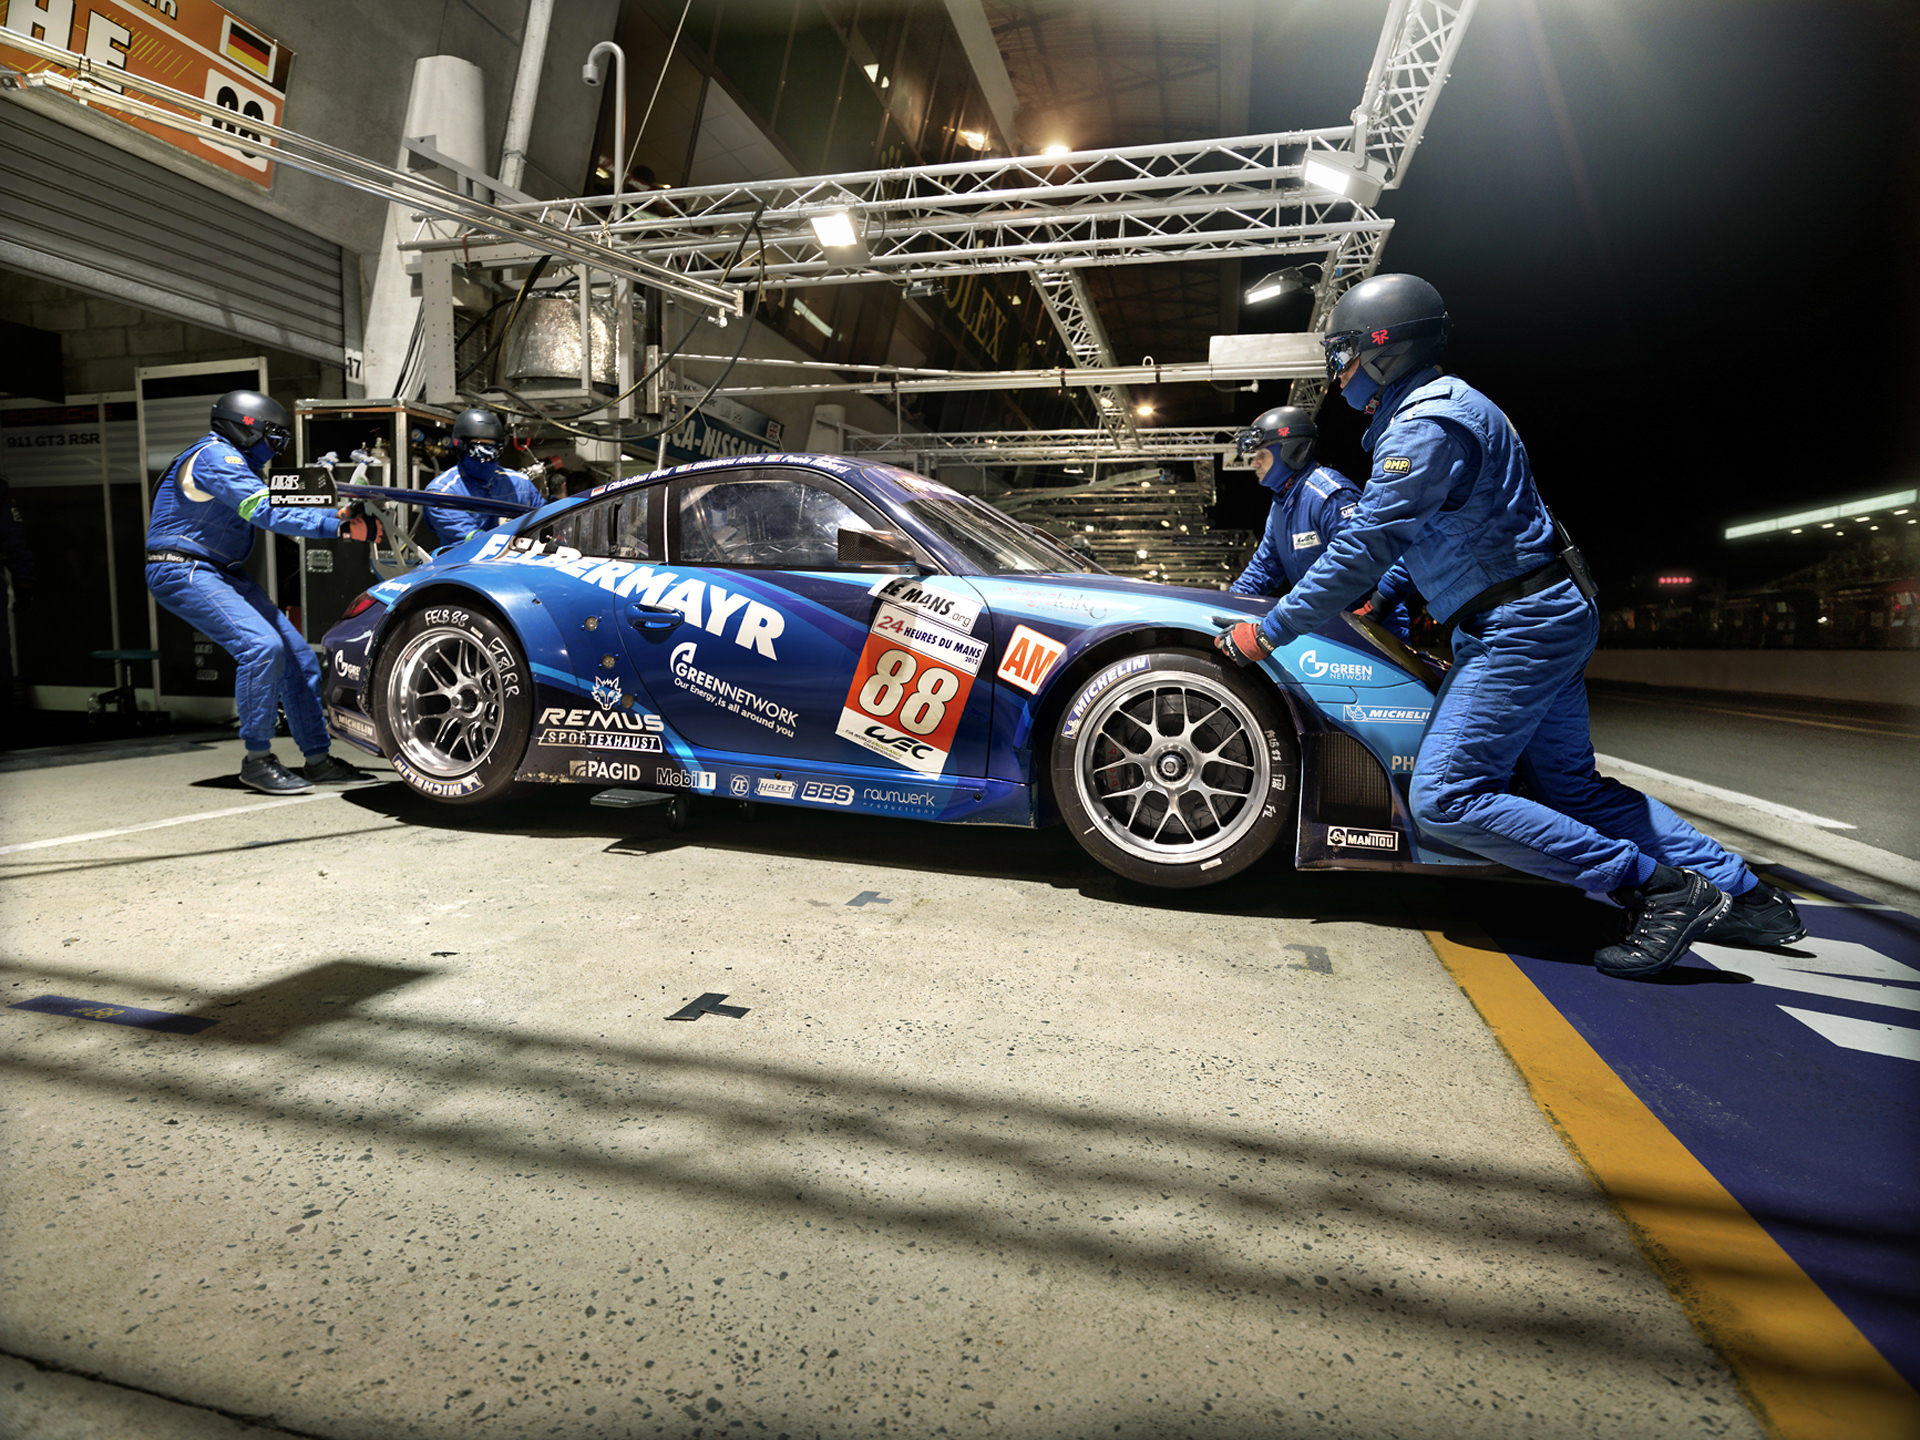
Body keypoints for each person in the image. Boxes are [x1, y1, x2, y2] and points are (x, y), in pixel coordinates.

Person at [1213, 274, 1804, 978]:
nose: (1336, 371)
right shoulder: (1445, 407)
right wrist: (1383, 596)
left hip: (1516, 622)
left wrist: (1270, 630)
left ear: (1382, 349)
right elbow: (1428, 538)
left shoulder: (1424, 424)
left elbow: (1366, 544)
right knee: (1572, 789)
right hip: (1542, 609)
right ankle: (1751, 899)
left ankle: (1660, 889)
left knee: (1446, 798)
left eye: (1341, 352)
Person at [145, 390, 381, 795]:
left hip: (221, 571)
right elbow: (266, 511)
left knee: (299, 658)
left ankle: (318, 760)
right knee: (261, 647)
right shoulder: (216, 456)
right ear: (247, 428)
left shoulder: (236, 463)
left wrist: (340, 514)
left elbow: (280, 502)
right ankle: (256, 760)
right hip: (181, 566)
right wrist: (339, 528)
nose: (276, 448)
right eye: (275, 438)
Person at [1227, 405, 1414, 638]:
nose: (1254, 463)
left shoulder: (1330, 496)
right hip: (1327, 626)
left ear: (1290, 452)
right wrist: (1229, 604)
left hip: (1370, 626)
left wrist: (1377, 607)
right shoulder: (1280, 506)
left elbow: (1366, 555)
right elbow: (1264, 567)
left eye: (1261, 455)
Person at [422, 407, 544, 548]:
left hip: (522, 558)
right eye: (480, 451)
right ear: (461, 447)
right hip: (467, 560)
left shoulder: (521, 485)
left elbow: (550, 524)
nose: (487, 459)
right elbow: (476, 541)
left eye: (494, 451)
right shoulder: (442, 494)